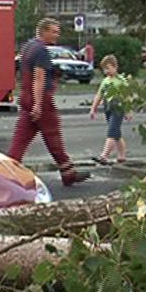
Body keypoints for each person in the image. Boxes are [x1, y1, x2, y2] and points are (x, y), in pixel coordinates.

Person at [8, 18, 90, 186]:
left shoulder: (28, 47)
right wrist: (38, 104)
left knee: (21, 138)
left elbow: (22, 72)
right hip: (41, 99)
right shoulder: (41, 51)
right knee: (53, 135)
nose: (56, 35)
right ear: (43, 32)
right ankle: (68, 173)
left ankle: (8, 169)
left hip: (25, 97)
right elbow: (39, 78)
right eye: (53, 32)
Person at [88, 54, 131, 165]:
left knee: (112, 132)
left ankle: (104, 156)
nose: (106, 71)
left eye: (108, 68)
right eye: (104, 69)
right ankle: (122, 156)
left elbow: (127, 96)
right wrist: (93, 109)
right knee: (116, 133)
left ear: (115, 67)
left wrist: (128, 110)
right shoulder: (105, 81)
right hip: (108, 107)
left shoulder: (121, 80)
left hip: (118, 108)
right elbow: (99, 95)